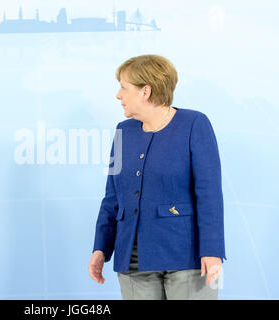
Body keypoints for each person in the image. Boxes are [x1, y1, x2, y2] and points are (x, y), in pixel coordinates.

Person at [88, 55, 226, 300]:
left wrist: (212, 251)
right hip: (132, 262)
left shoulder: (194, 124)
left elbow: (209, 194)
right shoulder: (123, 131)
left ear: (145, 91)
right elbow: (112, 197)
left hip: (186, 256)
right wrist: (101, 248)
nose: (118, 95)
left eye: (123, 87)